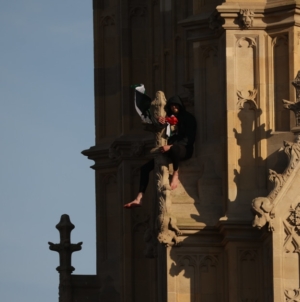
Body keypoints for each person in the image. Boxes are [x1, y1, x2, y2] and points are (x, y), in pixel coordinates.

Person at [124, 95, 197, 209]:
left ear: (180, 106)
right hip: (169, 149)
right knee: (144, 168)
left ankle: (176, 173)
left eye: (176, 105)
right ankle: (139, 198)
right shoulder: (169, 118)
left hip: (184, 148)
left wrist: (171, 146)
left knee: (175, 149)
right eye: (172, 106)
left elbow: (189, 139)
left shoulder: (188, 118)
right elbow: (151, 123)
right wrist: (158, 119)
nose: (174, 107)